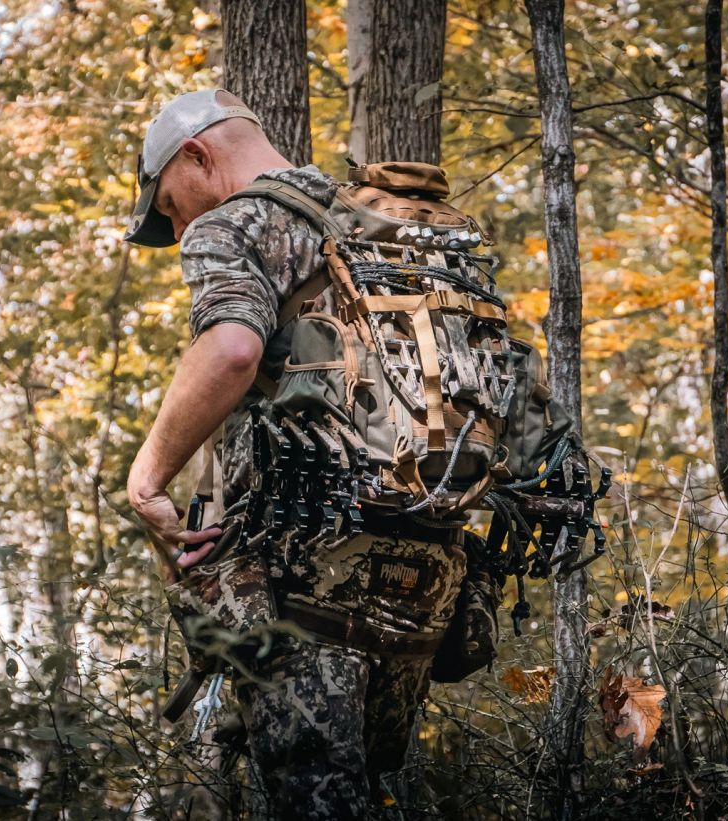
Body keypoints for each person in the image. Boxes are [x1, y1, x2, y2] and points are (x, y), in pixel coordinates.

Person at [124, 89, 467, 819]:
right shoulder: (391, 225)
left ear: (197, 155)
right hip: (431, 566)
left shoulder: (233, 224)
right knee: (372, 787)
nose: (176, 222)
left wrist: (147, 477)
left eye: (168, 204)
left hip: (312, 570)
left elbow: (233, 349)